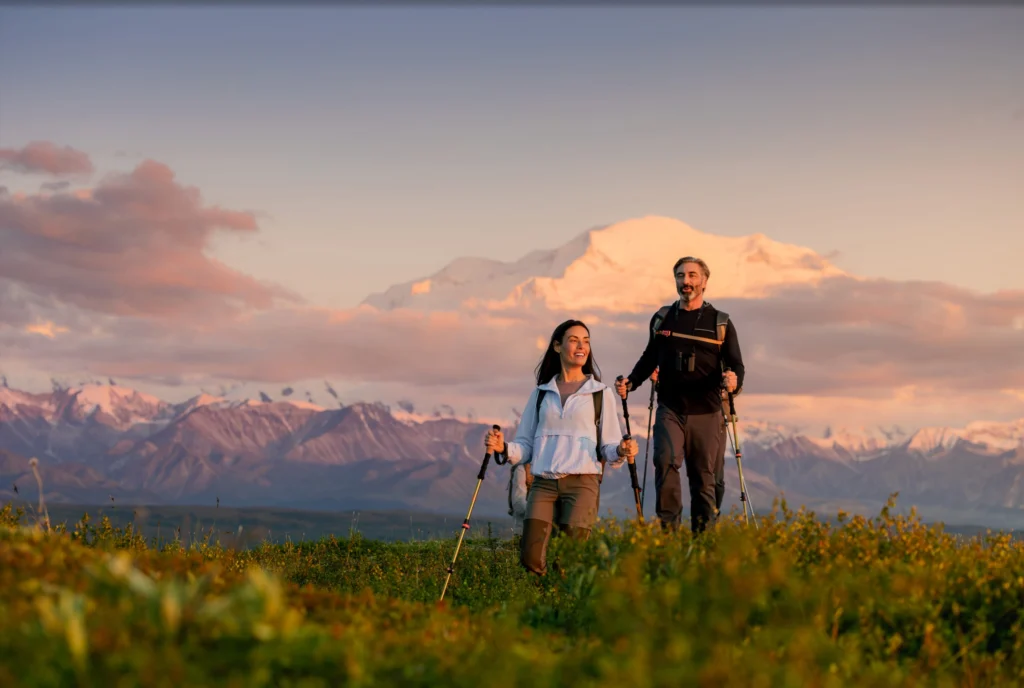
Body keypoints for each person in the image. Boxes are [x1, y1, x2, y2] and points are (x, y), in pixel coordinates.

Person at [487, 319, 639, 575]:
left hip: (583, 483)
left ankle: (561, 607)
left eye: (586, 341)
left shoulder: (600, 393)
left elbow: (608, 446)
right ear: (557, 347)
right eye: (574, 340)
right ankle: (548, 597)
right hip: (543, 483)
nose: (582, 346)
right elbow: (525, 445)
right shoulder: (541, 394)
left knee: (570, 561)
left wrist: (622, 451)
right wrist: (503, 448)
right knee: (531, 559)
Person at [616, 256, 745, 534]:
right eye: (680, 276)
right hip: (670, 408)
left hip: (708, 411)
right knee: (664, 464)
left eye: (692, 276)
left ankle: (702, 543)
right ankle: (669, 539)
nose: (685, 281)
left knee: (704, 478)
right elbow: (650, 355)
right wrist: (632, 381)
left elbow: (736, 364)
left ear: (705, 281)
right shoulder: (663, 318)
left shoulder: (719, 322)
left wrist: (733, 381)